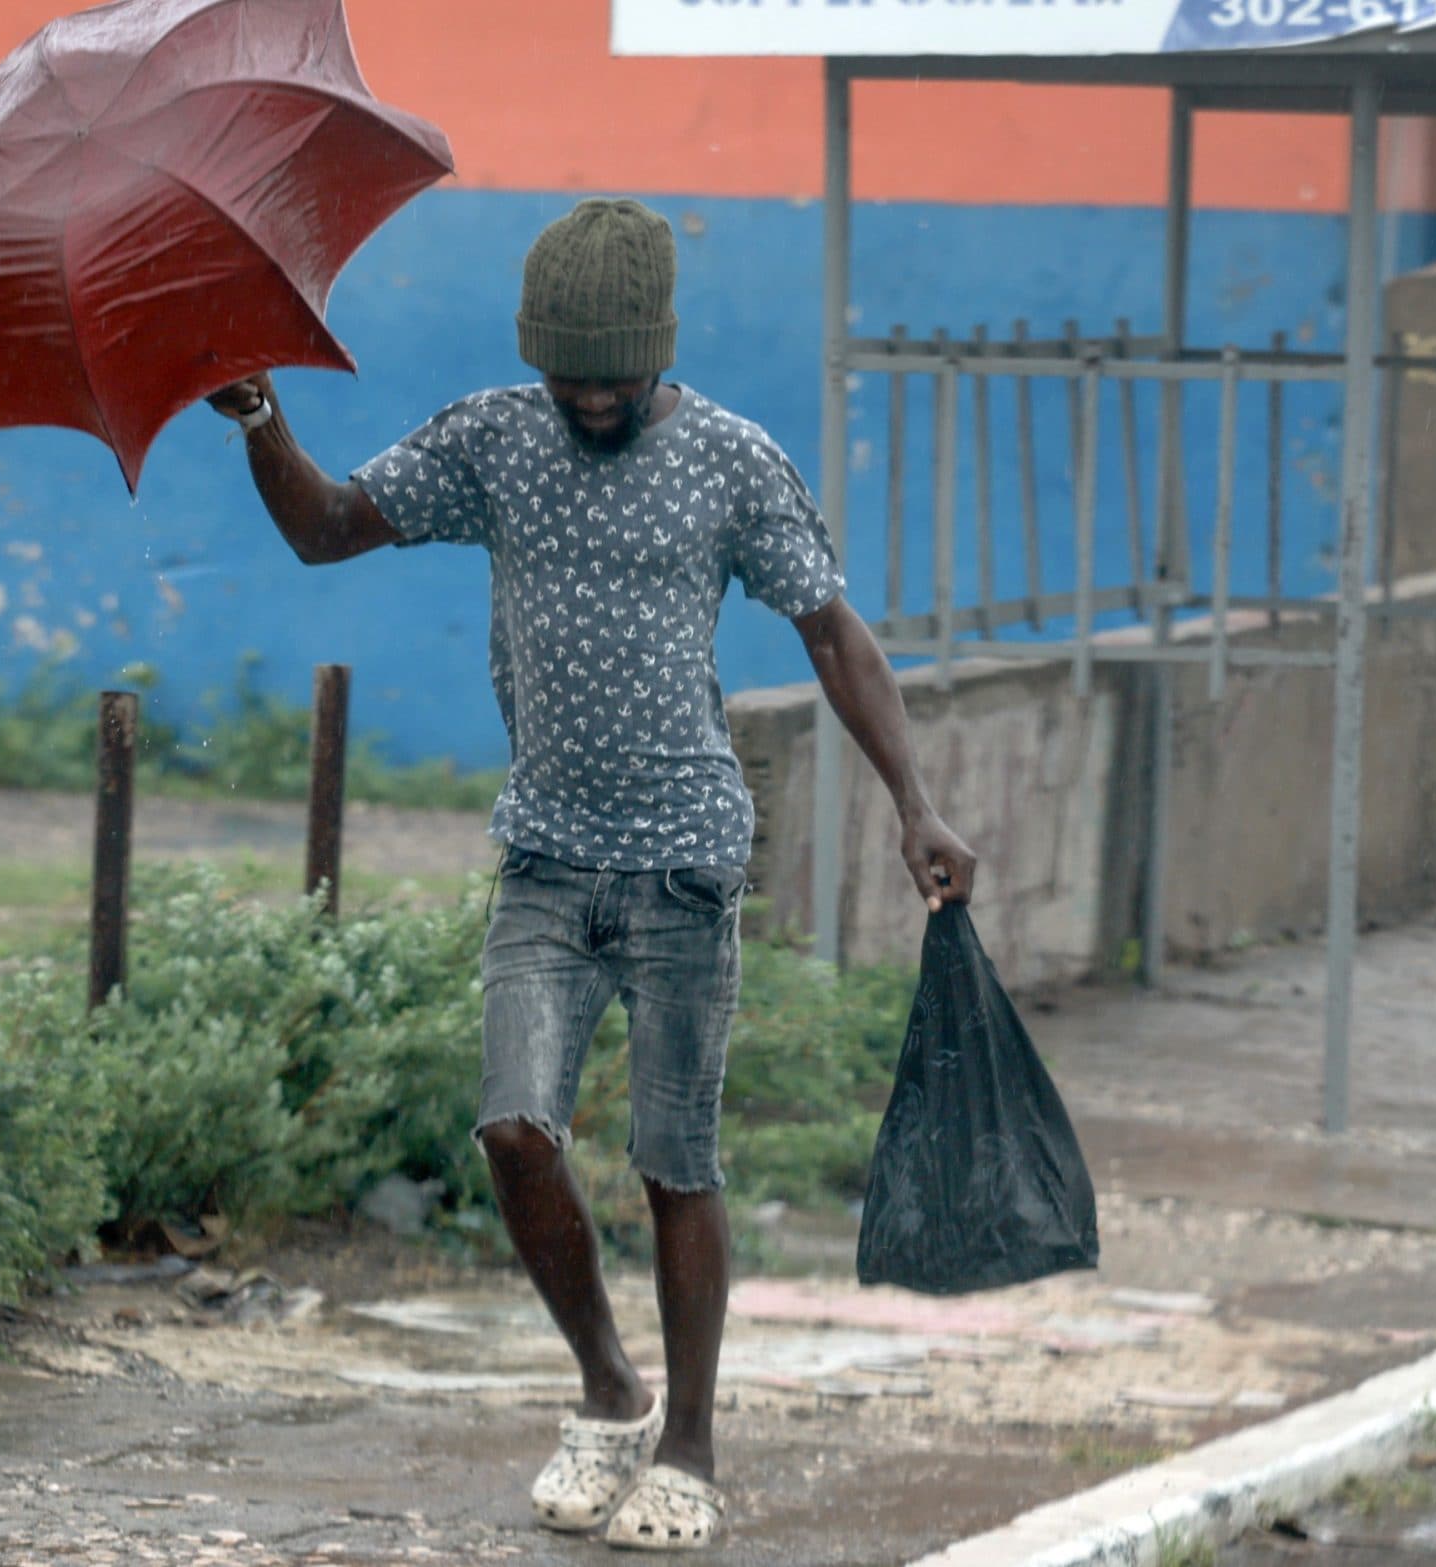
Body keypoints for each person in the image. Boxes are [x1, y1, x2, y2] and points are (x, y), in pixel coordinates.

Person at [206, 197, 976, 1553]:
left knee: (679, 1162)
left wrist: (914, 804)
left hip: (685, 863)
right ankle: (608, 1389)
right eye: (570, 373)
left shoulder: (733, 462)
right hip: (548, 861)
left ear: (657, 353)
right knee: (513, 1130)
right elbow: (329, 529)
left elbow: (834, 634)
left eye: (613, 375)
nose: (591, 398)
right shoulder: (496, 440)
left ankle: (690, 1442)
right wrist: (263, 418)